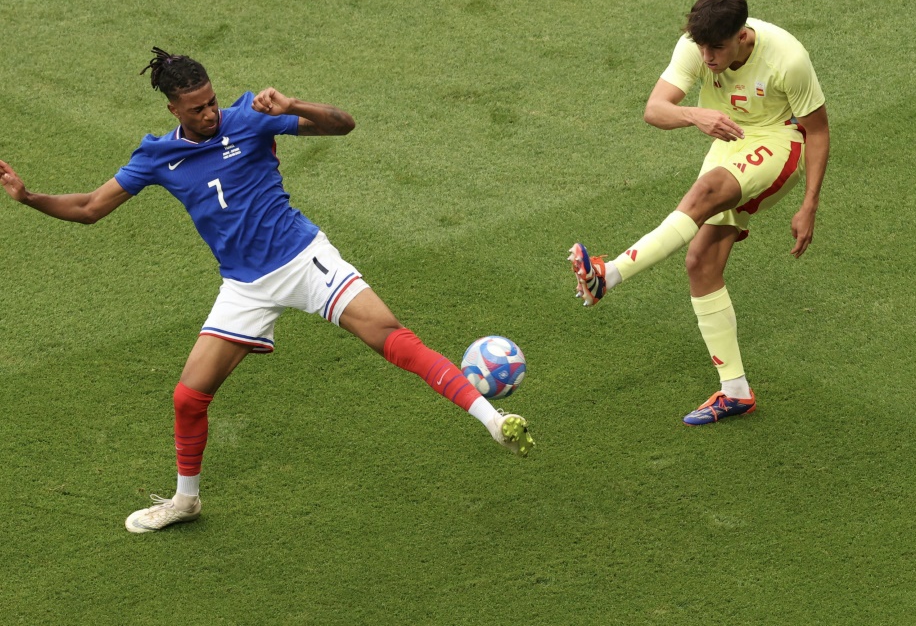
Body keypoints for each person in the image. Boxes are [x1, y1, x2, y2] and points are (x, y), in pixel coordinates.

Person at [0, 47, 534, 533]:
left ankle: (492, 420)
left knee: (389, 335)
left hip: (303, 259)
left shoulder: (251, 118)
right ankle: (186, 501)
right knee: (188, 397)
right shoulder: (157, 157)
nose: (209, 114)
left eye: (211, 102)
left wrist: (291, 105)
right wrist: (28, 197)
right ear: (172, 111)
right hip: (244, 287)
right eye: (196, 109)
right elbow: (91, 208)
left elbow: (343, 126)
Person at [569, 0, 829, 425]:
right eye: (701, 47)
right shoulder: (697, 45)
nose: (707, 57)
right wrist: (695, 115)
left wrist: (810, 205)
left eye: (717, 48)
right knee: (700, 262)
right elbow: (655, 110)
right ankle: (736, 392)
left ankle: (607, 276)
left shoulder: (788, 58)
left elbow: (817, 131)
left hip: (779, 143)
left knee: (706, 191)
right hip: (727, 140)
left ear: (743, 37)